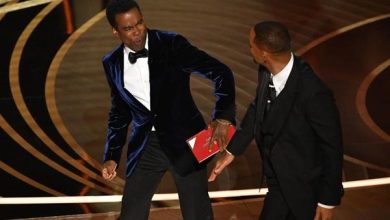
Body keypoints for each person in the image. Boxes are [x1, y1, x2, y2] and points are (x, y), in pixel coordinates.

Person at [100, 0, 235, 219]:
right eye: (128, 28)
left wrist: (222, 116)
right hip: (146, 147)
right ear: (115, 31)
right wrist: (112, 155)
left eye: (139, 23)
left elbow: (221, 72)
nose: (137, 32)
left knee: (196, 214)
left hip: (187, 143)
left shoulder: (171, 44)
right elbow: (119, 112)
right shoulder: (112, 62)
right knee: (131, 213)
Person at [209, 21, 343, 220]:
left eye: (251, 45)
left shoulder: (314, 93)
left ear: (264, 53)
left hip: (305, 189)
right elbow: (257, 108)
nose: (249, 49)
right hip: (278, 181)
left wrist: (327, 200)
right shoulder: (266, 70)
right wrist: (232, 150)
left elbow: (332, 146)